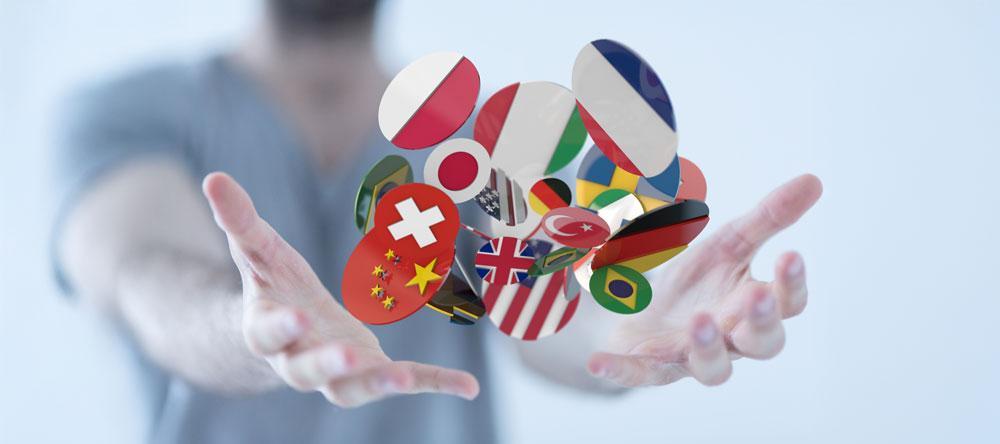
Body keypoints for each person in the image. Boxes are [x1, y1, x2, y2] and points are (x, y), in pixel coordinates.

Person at [52, 0, 823, 442]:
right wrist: (250, 328)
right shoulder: (123, 113)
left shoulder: (479, 138)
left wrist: (626, 324)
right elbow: (144, 271)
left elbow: (543, 313)